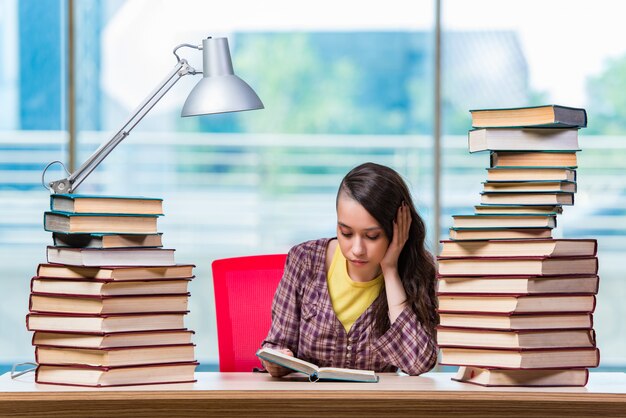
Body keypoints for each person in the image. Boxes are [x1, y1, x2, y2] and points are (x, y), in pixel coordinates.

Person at [260, 162, 438, 376]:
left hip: (374, 406)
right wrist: (277, 360)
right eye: (345, 232)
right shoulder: (304, 260)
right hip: (307, 404)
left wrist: (390, 271)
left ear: (397, 229)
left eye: (372, 236)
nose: (357, 249)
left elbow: (418, 362)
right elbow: (277, 345)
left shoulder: (417, 271)